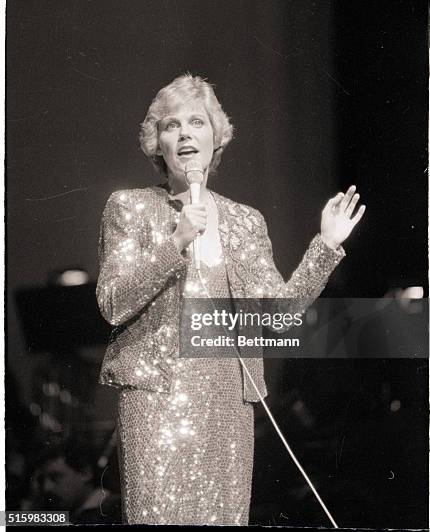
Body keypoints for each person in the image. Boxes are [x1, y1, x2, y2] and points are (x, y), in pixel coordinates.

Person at [96, 73, 365, 525]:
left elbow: (278, 316)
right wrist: (176, 241)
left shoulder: (245, 222)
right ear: (156, 143)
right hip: (157, 399)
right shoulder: (129, 207)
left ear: (215, 137)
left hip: (228, 405)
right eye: (171, 125)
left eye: (197, 122)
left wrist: (325, 245)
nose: (184, 133)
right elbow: (112, 302)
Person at [24, 440, 122, 524]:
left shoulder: (117, 511)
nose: (47, 487)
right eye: (42, 480)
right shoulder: (66, 513)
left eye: (56, 477)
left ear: (85, 473)